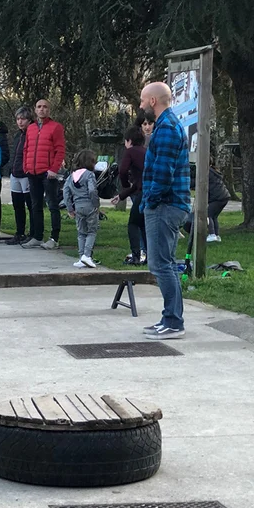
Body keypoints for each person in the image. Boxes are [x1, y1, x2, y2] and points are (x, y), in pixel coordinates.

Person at [139, 81, 191, 340]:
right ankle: (171, 318)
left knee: (161, 264)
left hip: (165, 205)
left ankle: (173, 321)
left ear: (153, 101)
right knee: (165, 264)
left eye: (142, 100)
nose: (140, 106)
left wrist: (150, 201)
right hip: (166, 204)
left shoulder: (167, 129)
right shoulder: (166, 125)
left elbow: (162, 174)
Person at [21, 99, 66, 249]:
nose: (42, 109)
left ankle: (54, 238)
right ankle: (37, 236)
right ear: (35, 110)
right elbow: (26, 148)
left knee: (53, 205)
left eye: (45, 107)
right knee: (35, 205)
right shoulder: (31, 128)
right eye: (39, 107)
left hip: (48, 173)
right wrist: (26, 166)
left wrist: (54, 169)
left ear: (49, 110)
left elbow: (60, 150)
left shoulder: (56, 127)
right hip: (32, 172)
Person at [111, 126, 147, 265]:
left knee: (133, 223)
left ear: (129, 141)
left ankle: (136, 256)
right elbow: (138, 184)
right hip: (149, 190)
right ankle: (149, 256)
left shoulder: (130, 152)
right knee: (143, 224)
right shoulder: (146, 152)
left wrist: (124, 184)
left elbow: (123, 171)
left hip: (142, 192)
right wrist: (122, 196)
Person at [64, 149, 101, 268]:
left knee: (81, 233)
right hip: (90, 205)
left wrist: (70, 209)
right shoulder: (89, 175)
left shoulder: (71, 176)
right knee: (92, 231)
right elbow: (92, 190)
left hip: (78, 206)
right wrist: (96, 205)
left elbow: (66, 192)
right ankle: (87, 255)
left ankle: (81, 258)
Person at [6, 106, 33, 244]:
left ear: (29, 120)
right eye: (18, 119)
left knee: (31, 205)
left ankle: (33, 233)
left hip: (26, 174)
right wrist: (11, 168)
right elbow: (14, 153)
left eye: (23, 119)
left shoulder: (32, 133)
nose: (20, 122)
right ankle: (19, 232)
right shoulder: (18, 135)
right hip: (15, 172)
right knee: (17, 205)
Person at [205, 161, 231, 242]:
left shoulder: (207, 172)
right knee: (214, 216)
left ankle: (212, 234)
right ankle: (216, 235)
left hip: (217, 197)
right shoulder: (213, 171)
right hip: (224, 196)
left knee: (208, 214)